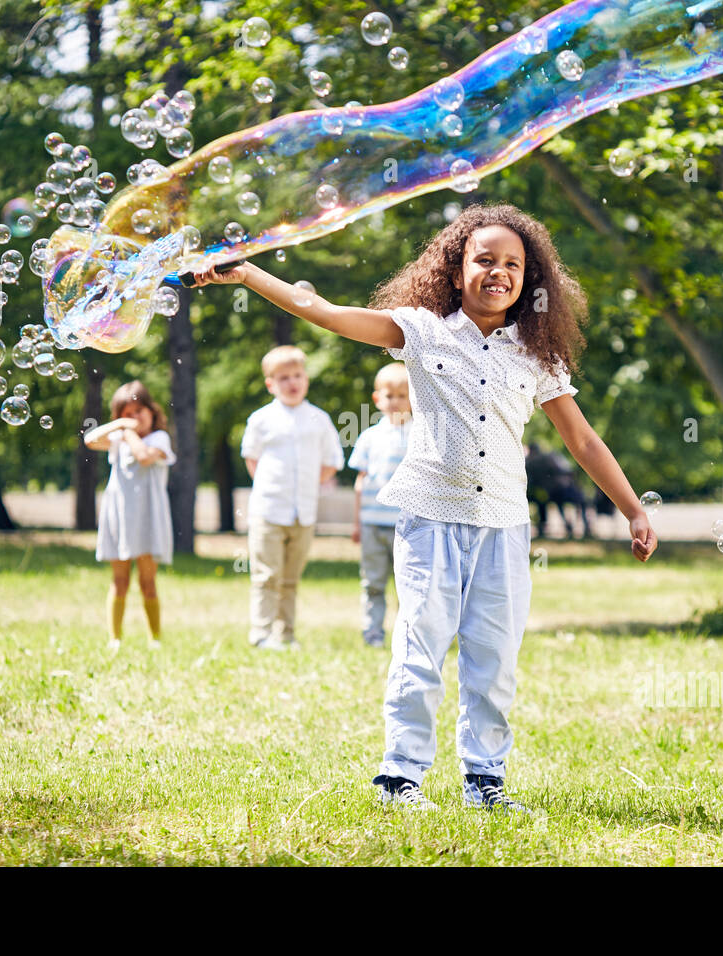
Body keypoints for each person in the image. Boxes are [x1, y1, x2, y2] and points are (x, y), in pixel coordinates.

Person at [191, 203, 657, 813]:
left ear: (530, 277)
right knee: (421, 646)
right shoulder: (421, 329)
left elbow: (583, 440)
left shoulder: (537, 354)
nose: (499, 272)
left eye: (513, 264)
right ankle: (400, 777)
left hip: (504, 526)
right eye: (484, 259)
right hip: (429, 518)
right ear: (455, 266)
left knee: (494, 658)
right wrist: (248, 275)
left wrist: (633, 508)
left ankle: (485, 782)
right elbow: (324, 312)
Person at [241, 345, 345, 650]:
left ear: (306, 379)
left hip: (304, 512)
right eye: (283, 377)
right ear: (271, 383)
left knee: (290, 578)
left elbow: (330, 462)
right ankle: (261, 634)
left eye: (297, 375)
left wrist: (308, 487)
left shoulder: (318, 419)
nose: (292, 382)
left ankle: (285, 634)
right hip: (269, 509)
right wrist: (274, 487)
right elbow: (253, 460)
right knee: (266, 574)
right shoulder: (261, 419)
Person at [85, 380, 176, 653]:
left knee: (147, 582)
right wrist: (119, 427)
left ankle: (155, 638)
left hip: (148, 517)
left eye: (140, 411)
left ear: (152, 411)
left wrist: (128, 432)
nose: (135, 419)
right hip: (120, 516)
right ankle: (115, 638)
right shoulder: (120, 437)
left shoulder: (159, 439)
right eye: (127, 413)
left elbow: (144, 457)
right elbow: (90, 439)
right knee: (119, 581)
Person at [348, 362, 413, 648]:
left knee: (408, 585)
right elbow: (360, 482)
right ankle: (372, 632)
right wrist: (356, 522)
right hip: (373, 523)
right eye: (390, 396)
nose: (396, 402)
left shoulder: (420, 435)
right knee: (373, 582)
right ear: (378, 399)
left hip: (407, 525)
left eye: (403, 395)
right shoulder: (369, 437)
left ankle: (407, 636)